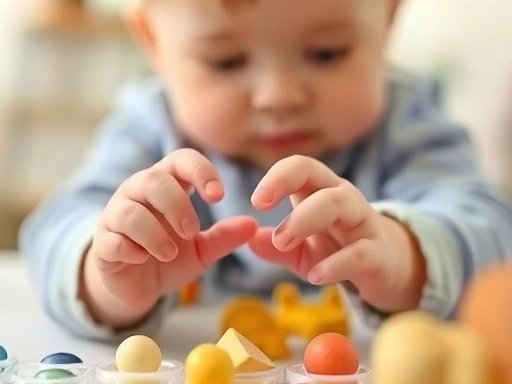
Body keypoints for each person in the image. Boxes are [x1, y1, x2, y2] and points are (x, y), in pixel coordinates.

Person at [18, 0, 512, 351]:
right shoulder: (151, 128)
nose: (278, 96)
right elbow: (51, 227)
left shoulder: (407, 122)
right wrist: (104, 280)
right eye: (225, 61)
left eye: (327, 52)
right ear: (154, 43)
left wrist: (405, 257)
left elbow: (492, 231)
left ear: (387, 20)